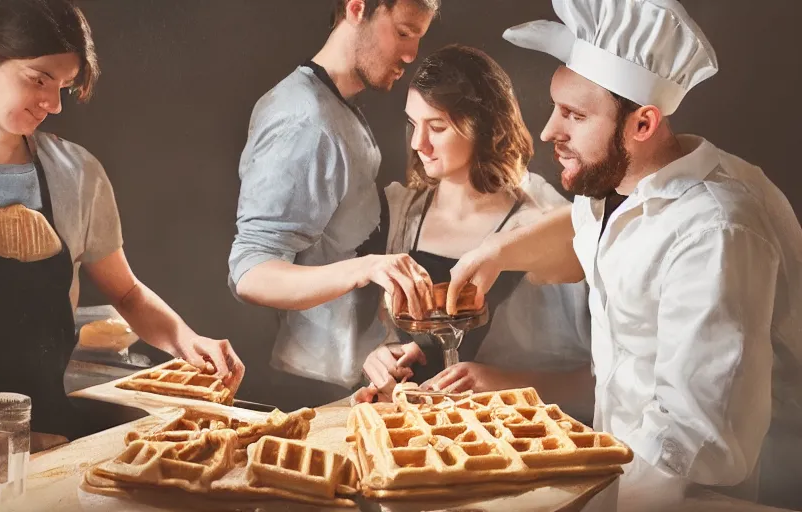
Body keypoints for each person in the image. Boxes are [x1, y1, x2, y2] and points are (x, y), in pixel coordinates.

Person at [0, 0, 244, 470]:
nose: (54, 104)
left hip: (47, 441)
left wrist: (186, 339)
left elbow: (127, 291)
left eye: (63, 86)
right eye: (39, 79)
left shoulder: (77, 174)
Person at [440, 0, 802, 509]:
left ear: (643, 124)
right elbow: (584, 224)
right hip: (627, 472)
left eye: (574, 115)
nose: (547, 132)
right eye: (554, 107)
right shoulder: (618, 183)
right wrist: (496, 250)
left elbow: (697, 440)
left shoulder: (717, 232)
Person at [352, 44, 593, 422]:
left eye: (437, 127)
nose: (419, 144)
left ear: (483, 126)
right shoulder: (399, 211)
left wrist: (503, 381)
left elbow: (593, 381)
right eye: (413, 125)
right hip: (420, 432)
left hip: (510, 438)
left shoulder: (543, 226)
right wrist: (385, 357)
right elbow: (387, 331)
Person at [227, 0, 439, 409]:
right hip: (310, 384)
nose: (411, 55)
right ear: (358, 8)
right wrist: (368, 267)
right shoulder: (303, 119)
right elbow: (251, 272)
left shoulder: (334, 102)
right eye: (403, 32)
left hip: (348, 373)